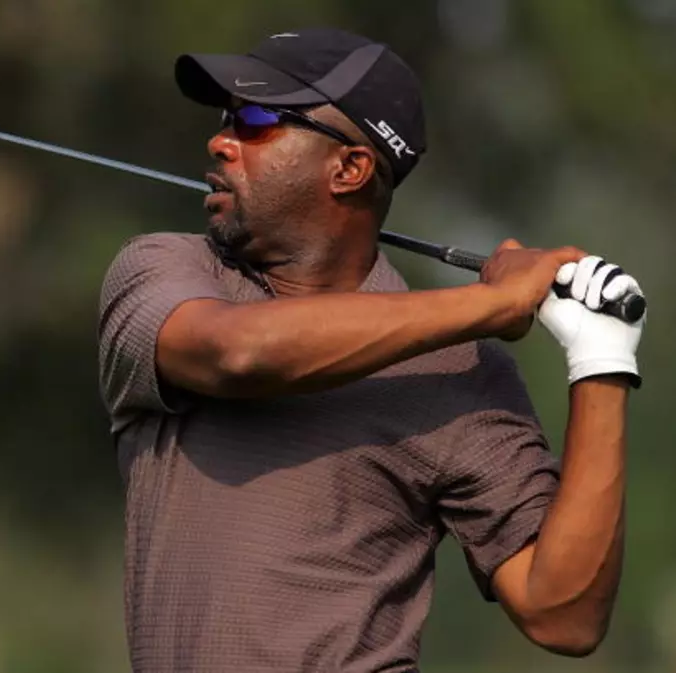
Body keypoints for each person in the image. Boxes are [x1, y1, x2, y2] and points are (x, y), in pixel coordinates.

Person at [97, 27, 645, 673]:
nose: (220, 140)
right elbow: (234, 355)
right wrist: (491, 304)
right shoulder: (167, 270)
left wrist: (602, 363)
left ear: (350, 168)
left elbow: (565, 614)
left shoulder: (459, 370)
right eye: (225, 118)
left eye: (256, 119)